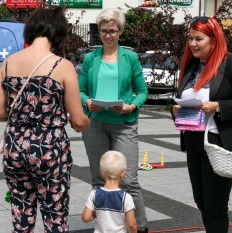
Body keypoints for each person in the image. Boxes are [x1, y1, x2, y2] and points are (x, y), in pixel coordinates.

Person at [0, 7, 90, 233]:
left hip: (15, 147)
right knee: (55, 215)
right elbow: (77, 120)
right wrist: (87, 121)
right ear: (58, 33)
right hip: (49, 150)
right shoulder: (62, 66)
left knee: (21, 210)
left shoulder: (7, 63)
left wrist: (24, 115)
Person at [172, 16, 232, 233]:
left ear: (214, 40)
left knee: (215, 205)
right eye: (190, 38)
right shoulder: (192, 66)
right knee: (202, 202)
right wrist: (176, 111)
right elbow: (185, 99)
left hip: (219, 143)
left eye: (198, 39)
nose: (192, 44)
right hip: (193, 140)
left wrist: (217, 106)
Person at [78, 8, 149, 233]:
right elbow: (80, 90)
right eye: (104, 31)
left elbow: (142, 91)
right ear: (99, 32)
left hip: (124, 123)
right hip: (96, 123)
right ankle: (105, 227)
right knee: (99, 179)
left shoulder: (130, 57)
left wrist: (131, 106)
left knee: (128, 181)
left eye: (113, 31)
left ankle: (140, 228)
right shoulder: (91, 58)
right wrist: (88, 102)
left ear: (121, 31)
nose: (108, 35)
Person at [82, 151, 137, 233]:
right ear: (122, 174)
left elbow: (85, 218)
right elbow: (132, 224)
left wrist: (98, 212)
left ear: (101, 173)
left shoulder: (95, 193)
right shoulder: (126, 197)